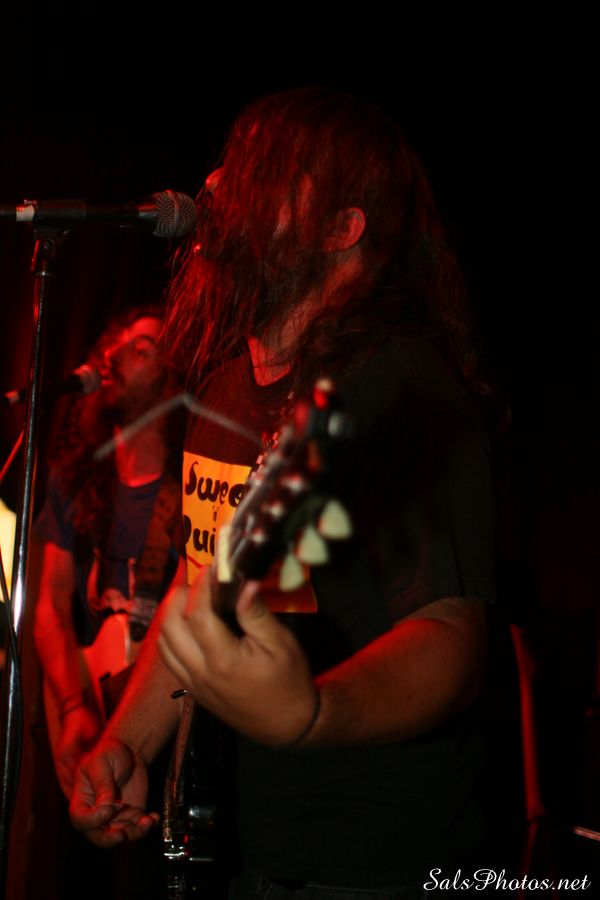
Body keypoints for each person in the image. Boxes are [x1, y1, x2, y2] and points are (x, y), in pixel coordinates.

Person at [69, 88, 496, 899]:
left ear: (342, 228)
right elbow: (197, 594)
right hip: (253, 852)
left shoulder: (401, 392)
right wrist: (126, 744)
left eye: (261, 171)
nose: (215, 183)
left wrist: (313, 713)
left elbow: (449, 635)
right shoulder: (224, 395)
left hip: (384, 864)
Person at [33, 306, 183, 898]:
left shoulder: (188, 482)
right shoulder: (75, 476)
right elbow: (49, 604)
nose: (120, 357)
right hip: (84, 718)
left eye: (144, 348)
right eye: (120, 345)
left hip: (161, 730)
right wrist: (74, 706)